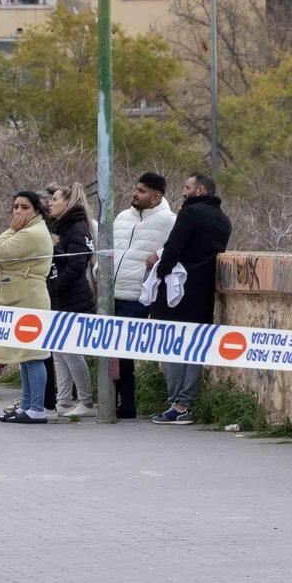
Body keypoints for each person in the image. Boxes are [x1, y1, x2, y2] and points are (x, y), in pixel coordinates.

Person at [149, 173, 232, 425]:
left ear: (200, 190)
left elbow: (173, 247)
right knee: (194, 348)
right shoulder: (223, 219)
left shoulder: (190, 213)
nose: (183, 192)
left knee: (173, 345)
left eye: (187, 187)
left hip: (179, 291)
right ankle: (186, 403)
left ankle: (176, 402)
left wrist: (160, 271)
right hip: (203, 291)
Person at [112, 172, 176, 419]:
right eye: (136, 189)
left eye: (141, 191)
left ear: (155, 196)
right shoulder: (122, 217)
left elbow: (177, 247)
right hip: (111, 293)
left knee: (123, 352)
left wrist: (159, 255)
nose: (135, 194)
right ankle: (111, 400)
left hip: (138, 295)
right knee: (110, 352)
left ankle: (127, 404)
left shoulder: (169, 221)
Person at [0, 192, 55, 424]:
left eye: (24, 207)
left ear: (36, 210)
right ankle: (27, 405)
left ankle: (37, 407)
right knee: (24, 356)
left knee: (33, 354)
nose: (18, 211)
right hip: (20, 297)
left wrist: (11, 229)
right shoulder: (26, 230)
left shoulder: (32, 233)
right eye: (15, 206)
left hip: (30, 298)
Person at [44, 182, 98, 418]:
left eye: (55, 199)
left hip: (74, 298)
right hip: (61, 297)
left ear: (67, 203)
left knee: (71, 351)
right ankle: (63, 400)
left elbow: (77, 264)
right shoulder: (61, 227)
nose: (50, 203)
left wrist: (56, 286)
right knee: (58, 351)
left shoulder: (77, 227)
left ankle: (86, 401)